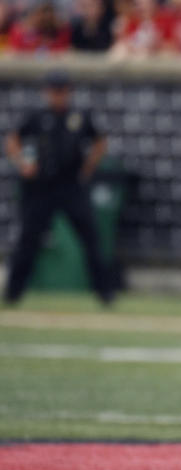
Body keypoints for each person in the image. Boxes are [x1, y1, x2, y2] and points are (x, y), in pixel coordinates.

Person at [4, 70, 112, 305]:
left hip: (72, 185)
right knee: (27, 240)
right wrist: (22, 163)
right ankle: (13, 294)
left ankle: (105, 294)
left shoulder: (80, 116)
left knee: (91, 240)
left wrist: (89, 167)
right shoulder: (37, 116)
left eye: (61, 90)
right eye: (53, 90)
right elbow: (13, 138)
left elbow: (100, 140)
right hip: (41, 187)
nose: (57, 95)